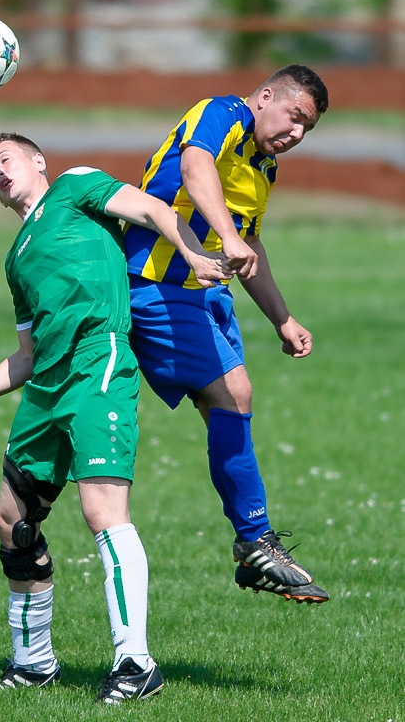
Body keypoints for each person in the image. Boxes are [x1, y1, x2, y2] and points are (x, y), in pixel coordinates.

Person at [0, 133, 231, 704]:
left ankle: (136, 663)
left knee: (102, 511)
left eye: (4, 159)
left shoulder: (76, 186)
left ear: (38, 161)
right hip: (47, 385)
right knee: (12, 520)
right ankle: (34, 664)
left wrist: (193, 254)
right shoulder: (16, 258)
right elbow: (26, 357)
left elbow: (152, 209)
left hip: (96, 361)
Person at [124, 64, 331, 604]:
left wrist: (282, 318)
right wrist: (225, 235)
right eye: (294, 116)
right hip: (156, 282)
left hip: (207, 293)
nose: (296, 133)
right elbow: (195, 167)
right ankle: (255, 541)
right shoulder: (222, 114)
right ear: (266, 96)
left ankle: (252, 543)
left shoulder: (265, 166)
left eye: (307, 128)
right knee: (233, 394)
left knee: (233, 403)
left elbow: (250, 244)